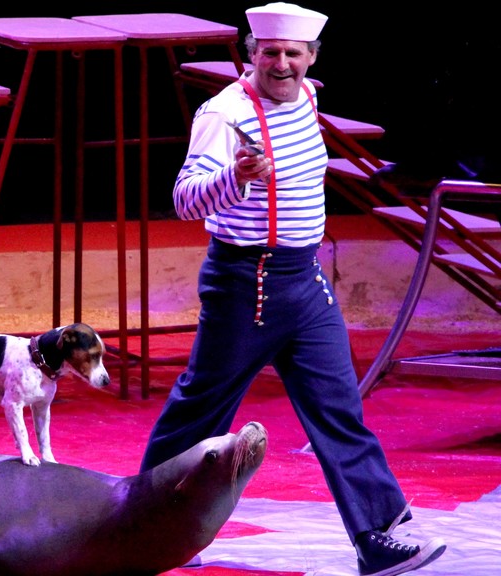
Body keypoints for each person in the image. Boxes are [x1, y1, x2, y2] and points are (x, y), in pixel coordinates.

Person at [139, 4, 447, 576]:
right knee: (201, 411)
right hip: (246, 285)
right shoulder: (224, 113)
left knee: (339, 411)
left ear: (311, 58)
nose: (281, 63)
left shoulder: (306, 97)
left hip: (304, 281)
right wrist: (235, 177)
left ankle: (378, 536)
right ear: (252, 54)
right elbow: (183, 200)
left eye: (293, 54)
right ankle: (148, 527)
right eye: (270, 53)